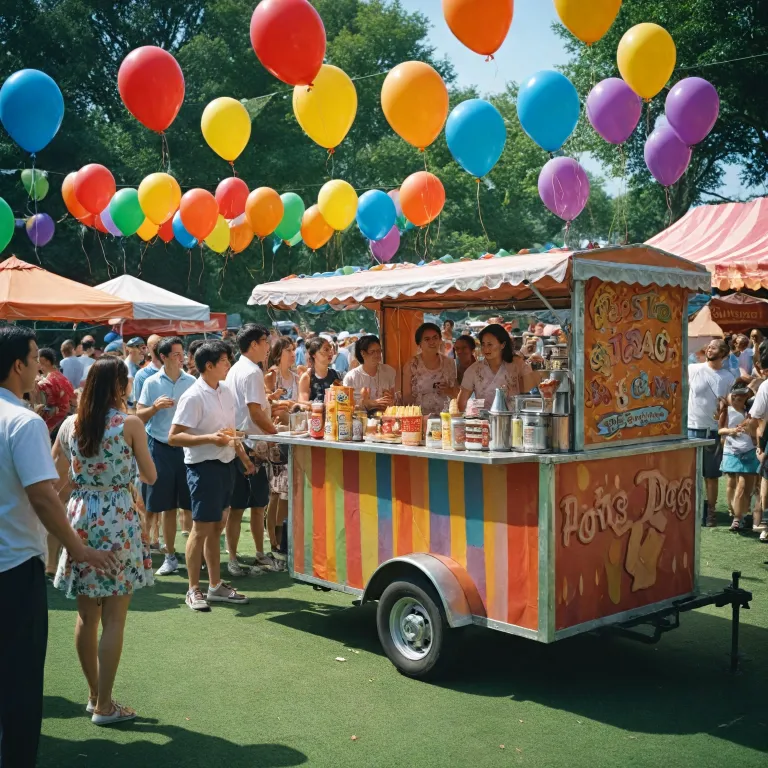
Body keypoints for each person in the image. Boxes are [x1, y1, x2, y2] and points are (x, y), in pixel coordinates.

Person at [0, 328, 117, 763]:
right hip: (14, 564)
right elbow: (43, 496)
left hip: (13, 557)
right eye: (35, 359)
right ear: (18, 365)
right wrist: (80, 549)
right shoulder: (23, 421)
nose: (39, 368)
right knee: (20, 677)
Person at [53, 357, 156, 726]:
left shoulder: (70, 424)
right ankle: (105, 706)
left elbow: (55, 475)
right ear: (119, 385)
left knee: (86, 616)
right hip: (118, 516)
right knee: (114, 618)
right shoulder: (129, 424)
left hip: (80, 515)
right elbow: (150, 475)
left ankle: (94, 694)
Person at [169, 341, 253, 610]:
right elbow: (174, 437)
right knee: (201, 529)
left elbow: (229, 431)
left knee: (217, 527)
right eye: (225, 360)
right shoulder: (193, 396)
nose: (229, 364)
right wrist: (210, 438)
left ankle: (215, 586)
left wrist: (243, 458)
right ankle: (193, 589)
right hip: (203, 468)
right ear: (209, 365)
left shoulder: (225, 390)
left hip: (226, 465)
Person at [226, 325, 285, 576]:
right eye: (265, 341)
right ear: (253, 344)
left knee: (256, 505)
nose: (268, 346)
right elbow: (254, 412)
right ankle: (234, 558)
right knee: (241, 507)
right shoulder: (251, 371)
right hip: (249, 446)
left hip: (246, 444)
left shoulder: (239, 368)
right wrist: (275, 433)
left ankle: (257, 554)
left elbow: (255, 409)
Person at [137, 337, 196, 576]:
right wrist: (154, 408)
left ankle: (196, 554)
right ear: (163, 357)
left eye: (183, 353)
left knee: (191, 506)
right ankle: (170, 556)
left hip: (187, 448)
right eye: (176, 354)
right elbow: (138, 416)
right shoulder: (150, 382)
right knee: (167, 507)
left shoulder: (191, 381)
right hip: (160, 448)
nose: (182, 358)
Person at [688, 339, 736, 527]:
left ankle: (711, 513)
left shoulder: (728, 377)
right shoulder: (693, 369)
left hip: (713, 431)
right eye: (709, 347)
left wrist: (724, 410)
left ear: (723, 354)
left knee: (711, 476)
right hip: (692, 429)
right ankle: (692, 511)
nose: (709, 349)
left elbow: (731, 405)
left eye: (714, 347)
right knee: (691, 475)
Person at [458, 324, 539, 411]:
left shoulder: (516, 364)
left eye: (490, 344)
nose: (485, 349)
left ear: (502, 345)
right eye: (483, 344)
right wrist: (475, 410)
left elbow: (529, 393)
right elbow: (462, 403)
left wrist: (529, 366)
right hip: (483, 418)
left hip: (514, 417)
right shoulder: (474, 370)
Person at [719, 380, 759, 532]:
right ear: (733, 397)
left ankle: (743, 516)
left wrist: (751, 431)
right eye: (739, 398)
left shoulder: (751, 412)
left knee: (747, 488)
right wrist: (732, 431)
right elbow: (720, 430)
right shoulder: (727, 411)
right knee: (739, 484)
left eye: (744, 398)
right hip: (733, 451)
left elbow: (756, 430)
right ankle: (736, 518)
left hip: (750, 451)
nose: (742, 401)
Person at [403, 322, 458, 415]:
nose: (432, 342)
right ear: (419, 343)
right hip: (419, 417)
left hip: (445, 416)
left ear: (440, 340)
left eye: (435, 338)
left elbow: (456, 394)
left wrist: (448, 390)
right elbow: (406, 397)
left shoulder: (449, 363)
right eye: (427, 339)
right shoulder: (411, 364)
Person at [343, 335, 396, 412]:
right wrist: (364, 404)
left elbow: (394, 398)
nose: (377, 355)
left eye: (379, 351)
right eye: (372, 352)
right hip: (359, 418)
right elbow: (344, 406)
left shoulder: (388, 371)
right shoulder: (351, 377)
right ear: (363, 353)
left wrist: (390, 400)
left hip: (385, 415)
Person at [37, 347, 76, 434]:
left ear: (47, 361)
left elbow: (46, 404)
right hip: (66, 419)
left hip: (54, 422)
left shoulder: (47, 381)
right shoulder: (62, 377)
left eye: (39, 361)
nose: (38, 365)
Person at [299, 337, 341, 404]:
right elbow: (303, 403)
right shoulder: (306, 377)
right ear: (314, 354)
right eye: (326, 350)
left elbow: (340, 398)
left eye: (330, 349)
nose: (330, 352)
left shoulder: (335, 374)